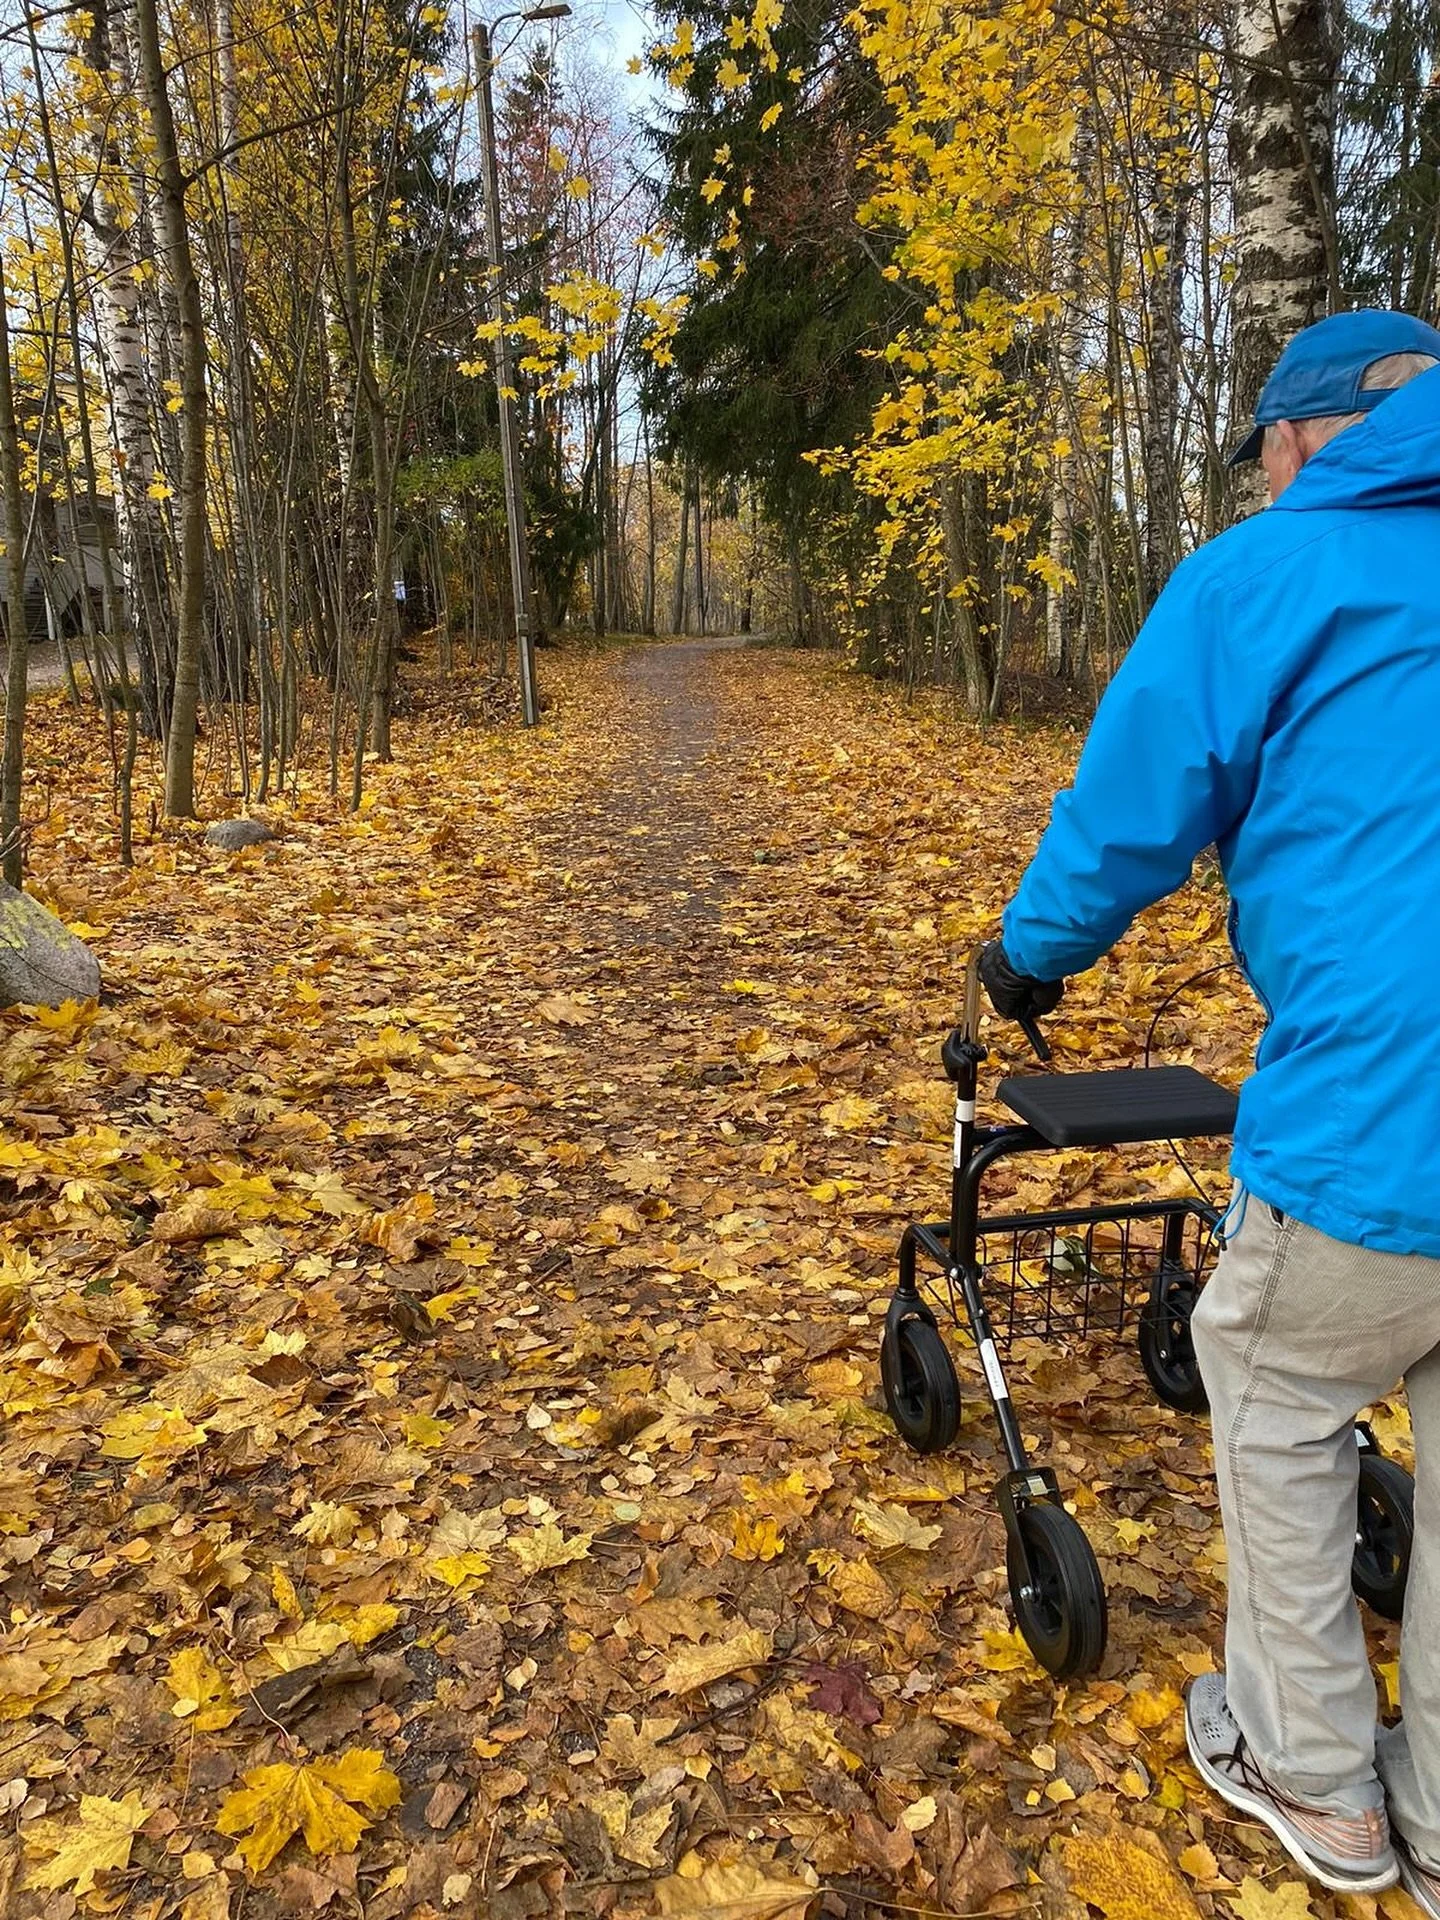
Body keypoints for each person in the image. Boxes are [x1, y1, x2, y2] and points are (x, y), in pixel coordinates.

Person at [977, 309, 1440, 1909]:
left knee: (1278, 1377)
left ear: (1308, 436)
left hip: (1390, 1103)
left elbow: (1127, 813)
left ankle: (1314, 1779)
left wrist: (1026, 964)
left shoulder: (1264, 577)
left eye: (1261, 452)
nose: (1260, 478)